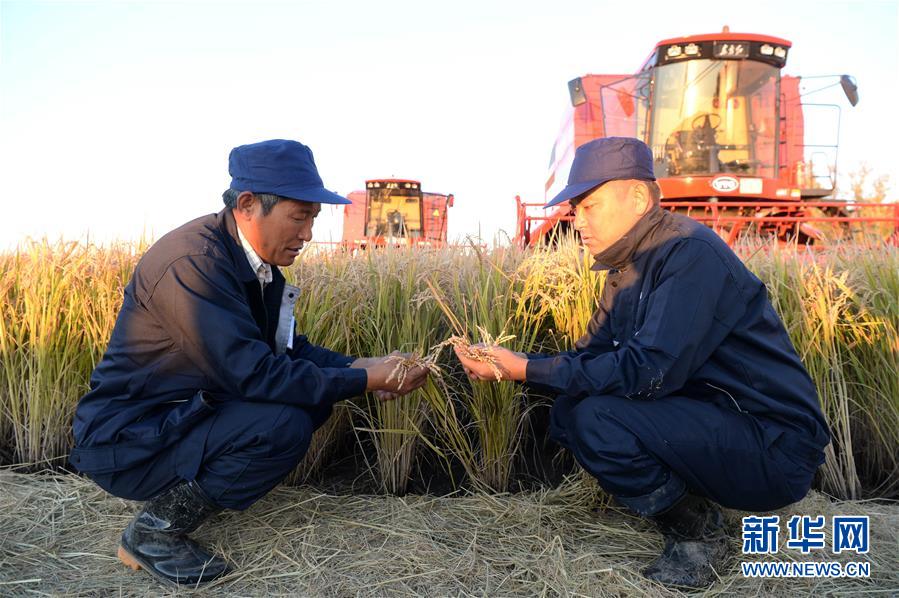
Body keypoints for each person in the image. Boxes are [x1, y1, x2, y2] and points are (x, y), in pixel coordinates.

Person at [453, 137, 830, 588]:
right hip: (720, 424)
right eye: (575, 210)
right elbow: (587, 359)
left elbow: (649, 371)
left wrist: (524, 369)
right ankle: (682, 499)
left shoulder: (690, 254)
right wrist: (507, 364)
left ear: (636, 197)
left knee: (597, 419)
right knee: (572, 410)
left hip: (772, 444)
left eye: (588, 206)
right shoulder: (627, 269)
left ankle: (697, 534)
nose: (577, 223)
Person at [69, 139, 429, 587]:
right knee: (283, 424)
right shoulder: (193, 264)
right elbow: (254, 373)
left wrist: (365, 364)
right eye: (299, 217)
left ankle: (177, 503)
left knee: (309, 402)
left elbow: (289, 351)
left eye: (313, 219)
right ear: (247, 204)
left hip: (179, 416)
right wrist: (360, 379)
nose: (308, 235)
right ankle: (153, 533)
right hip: (127, 439)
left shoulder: (257, 268)